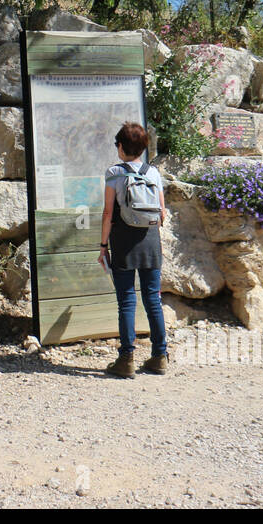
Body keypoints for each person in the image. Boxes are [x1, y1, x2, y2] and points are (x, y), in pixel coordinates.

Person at [98, 122, 169, 378]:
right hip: (150, 241)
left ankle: (126, 359)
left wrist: (103, 245)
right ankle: (160, 356)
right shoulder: (153, 173)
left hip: (124, 242)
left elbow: (108, 212)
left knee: (126, 300)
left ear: (120, 146)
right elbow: (161, 214)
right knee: (153, 299)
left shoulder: (114, 173)